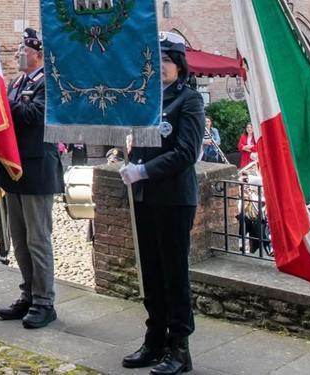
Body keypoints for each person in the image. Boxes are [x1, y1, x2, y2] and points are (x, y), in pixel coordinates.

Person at [119, 33, 206, 374]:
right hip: (145, 197)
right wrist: (131, 155)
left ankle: (179, 348)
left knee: (173, 274)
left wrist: (144, 170)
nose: (160, 66)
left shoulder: (189, 100)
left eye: (166, 61)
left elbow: (185, 152)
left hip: (173, 200)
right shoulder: (146, 99)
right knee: (150, 272)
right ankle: (154, 339)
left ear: (180, 66)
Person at [0, 28, 64, 330]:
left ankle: (45, 301)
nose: (17, 54)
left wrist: (1, 101)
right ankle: (28, 293)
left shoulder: (49, 85)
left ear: (37, 55)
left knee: (38, 240)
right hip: (13, 169)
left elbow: (34, 116)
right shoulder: (16, 83)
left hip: (36, 170)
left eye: (22, 50)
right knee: (19, 240)